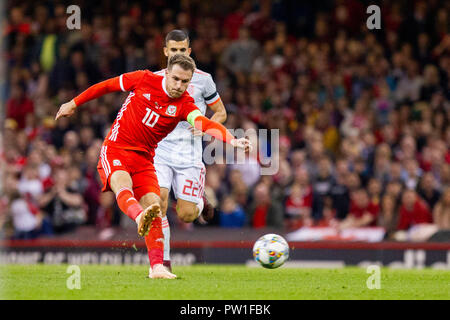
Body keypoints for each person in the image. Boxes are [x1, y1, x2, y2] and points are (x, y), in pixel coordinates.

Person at [55, 54, 251, 279]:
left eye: (185, 82)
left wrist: (232, 140)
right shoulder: (143, 79)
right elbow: (107, 85)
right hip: (116, 148)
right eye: (175, 79)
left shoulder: (184, 104)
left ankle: (157, 267)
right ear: (166, 73)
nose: (179, 85)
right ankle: (139, 217)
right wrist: (74, 102)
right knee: (122, 183)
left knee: (155, 206)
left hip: (145, 159)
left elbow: (203, 123)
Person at [152, 30, 227, 271]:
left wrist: (207, 128)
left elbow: (221, 112)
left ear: (189, 51)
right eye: (173, 50)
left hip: (189, 156)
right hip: (160, 152)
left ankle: (199, 202)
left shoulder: (203, 79)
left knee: (185, 214)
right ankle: (162, 262)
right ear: (165, 52)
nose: (177, 54)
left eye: (182, 50)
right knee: (158, 203)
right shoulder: (153, 79)